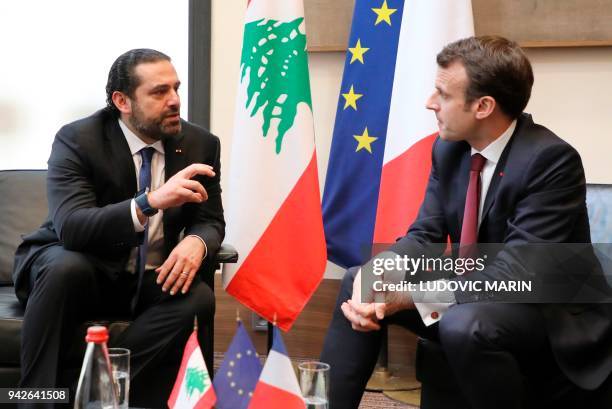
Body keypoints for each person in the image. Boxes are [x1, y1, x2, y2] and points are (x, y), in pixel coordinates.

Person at [320, 36, 612, 409]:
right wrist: (380, 270)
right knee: (357, 281)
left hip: (548, 314)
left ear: (483, 106)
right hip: (475, 292)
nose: (430, 103)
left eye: (442, 94)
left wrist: (406, 298)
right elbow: (424, 234)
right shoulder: (450, 148)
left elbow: (512, 277)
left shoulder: (550, 161)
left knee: (463, 321)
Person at [12, 48, 224, 406]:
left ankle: (92, 391)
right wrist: (150, 201)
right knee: (65, 266)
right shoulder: (79, 139)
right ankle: (34, 400)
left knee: (198, 295)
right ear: (122, 100)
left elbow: (210, 220)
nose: (174, 101)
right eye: (159, 92)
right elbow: (73, 228)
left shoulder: (199, 143)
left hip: (147, 277)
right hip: (82, 271)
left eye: (176, 88)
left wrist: (198, 244)